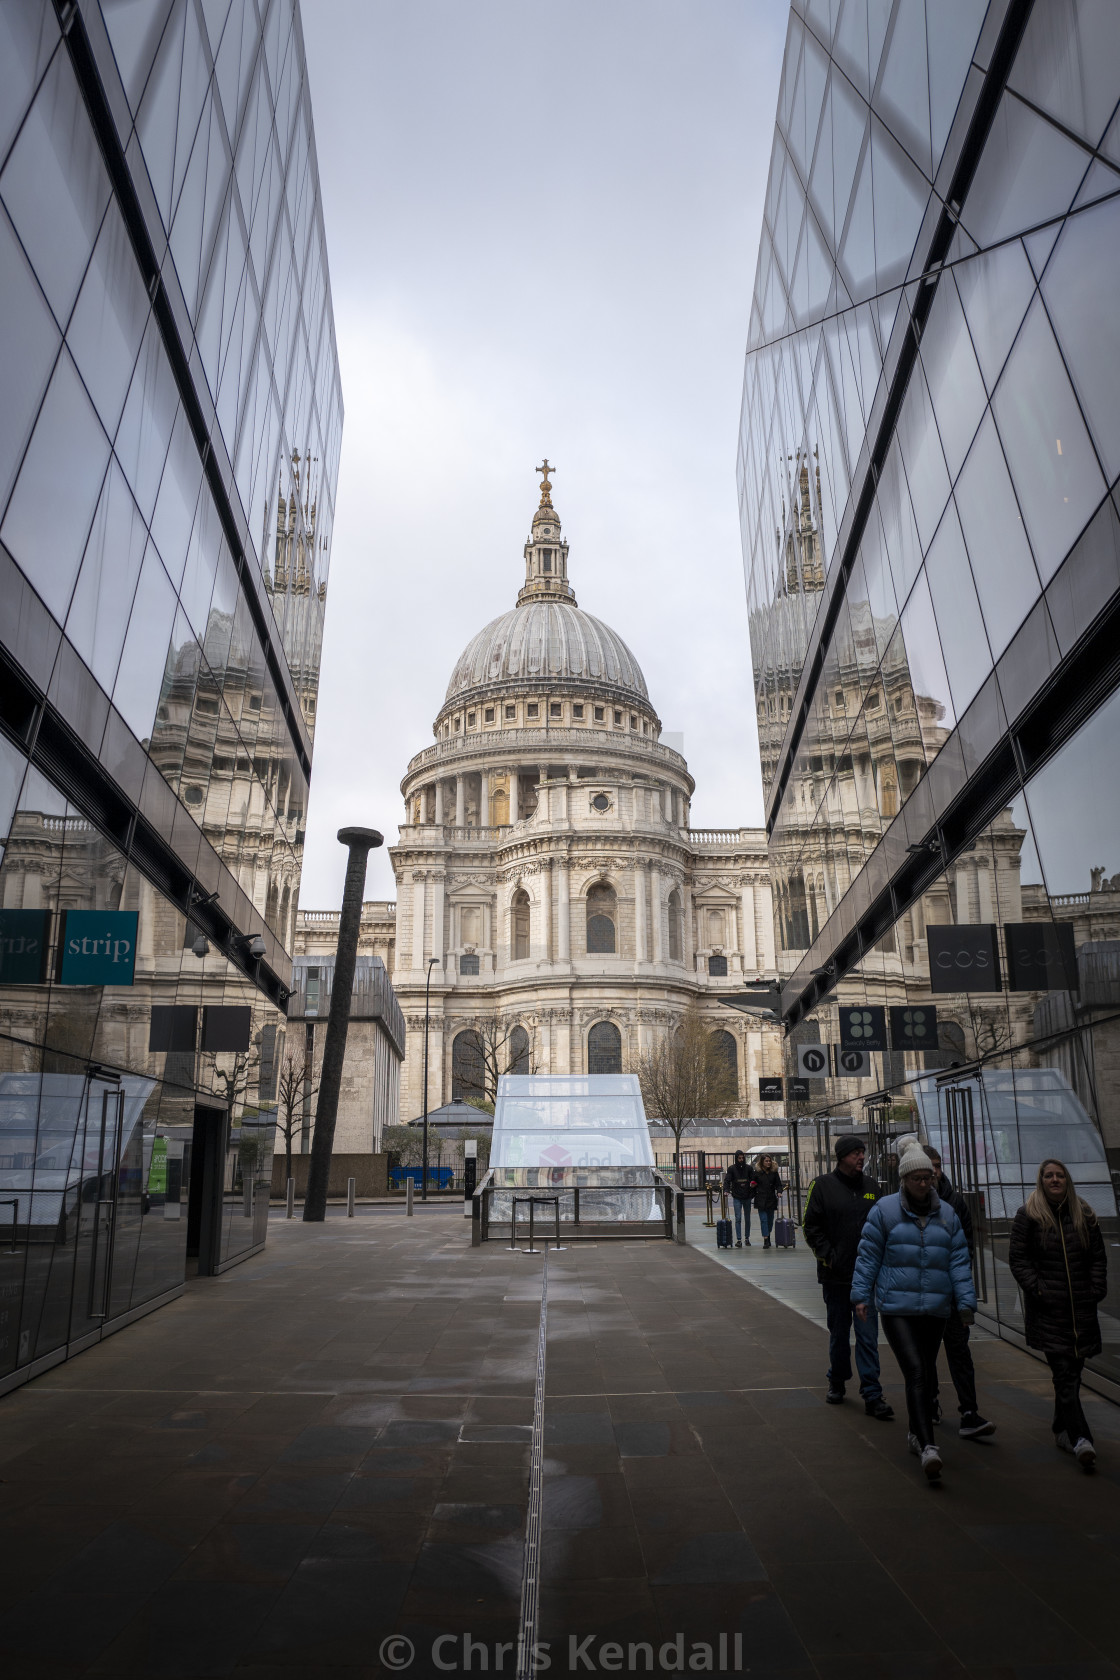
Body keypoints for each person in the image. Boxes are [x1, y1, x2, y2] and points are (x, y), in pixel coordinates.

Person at [851, 1143, 976, 1483]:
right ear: (904, 1179)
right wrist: (860, 1296)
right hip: (897, 1308)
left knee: (923, 1370)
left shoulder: (947, 1216)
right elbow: (868, 1257)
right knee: (918, 1371)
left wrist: (965, 1303)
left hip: (935, 1307)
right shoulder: (885, 1211)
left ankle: (915, 1432)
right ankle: (928, 1446)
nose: (925, 1183)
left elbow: (959, 1263)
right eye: (918, 1178)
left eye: (929, 1177)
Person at [1008, 1158, 1107, 1471]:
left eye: (1059, 1175)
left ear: (1067, 1180)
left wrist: (1095, 1289)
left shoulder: (1085, 1213)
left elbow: (1098, 1258)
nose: (1054, 1180)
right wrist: (1038, 1290)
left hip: (1081, 1312)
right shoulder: (1029, 1216)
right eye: (1048, 1175)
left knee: (1072, 1377)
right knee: (1064, 1376)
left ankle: (1060, 1429)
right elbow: (1018, 1259)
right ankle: (1082, 1439)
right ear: (1041, 1181)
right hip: (1049, 1312)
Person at [803, 1135, 893, 1420]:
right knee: (840, 1334)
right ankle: (837, 1381)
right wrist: (829, 1256)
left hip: (865, 1278)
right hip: (836, 1278)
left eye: (863, 1153)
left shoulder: (871, 1188)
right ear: (841, 1157)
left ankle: (872, 1394)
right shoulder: (822, 1186)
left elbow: (881, 1226)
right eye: (856, 1153)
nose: (861, 1158)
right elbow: (810, 1226)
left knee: (867, 1337)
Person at [925, 1147, 995, 1440]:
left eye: (938, 1166)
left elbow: (966, 1248)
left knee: (959, 1353)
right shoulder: (904, 1205)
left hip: (951, 1294)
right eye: (930, 1167)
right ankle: (929, 1404)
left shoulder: (955, 1202)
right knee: (925, 1355)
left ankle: (969, 1411)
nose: (935, 1172)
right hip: (926, 1294)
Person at [749, 1154, 785, 1248]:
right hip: (760, 1198)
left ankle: (768, 1235)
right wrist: (752, 1185)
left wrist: (779, 1192)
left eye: (769, 1161)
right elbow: (752, 1183)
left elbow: (778, 1184)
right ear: (762, 1162)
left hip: (771, 1199)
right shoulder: (757, 1172)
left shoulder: (774, 1172)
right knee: (763, 1220)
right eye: (766, 1161)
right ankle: (766, 1239)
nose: (768, 1162)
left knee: (770, 1221)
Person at [722, 1150, 754, 1248]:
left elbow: (753, 1180)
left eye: (742, 1158)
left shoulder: (749, 1168)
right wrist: (726, 1190)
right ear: (736, 1158)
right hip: (737, 1196)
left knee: (747, 1218)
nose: (741, 1160)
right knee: (738, 1218)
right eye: (739, 1158)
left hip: (747, 1196)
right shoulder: (732, 1169)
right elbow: (727, 1180)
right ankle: (739, 1239)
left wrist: (752, 1190)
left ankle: (747, 1238)